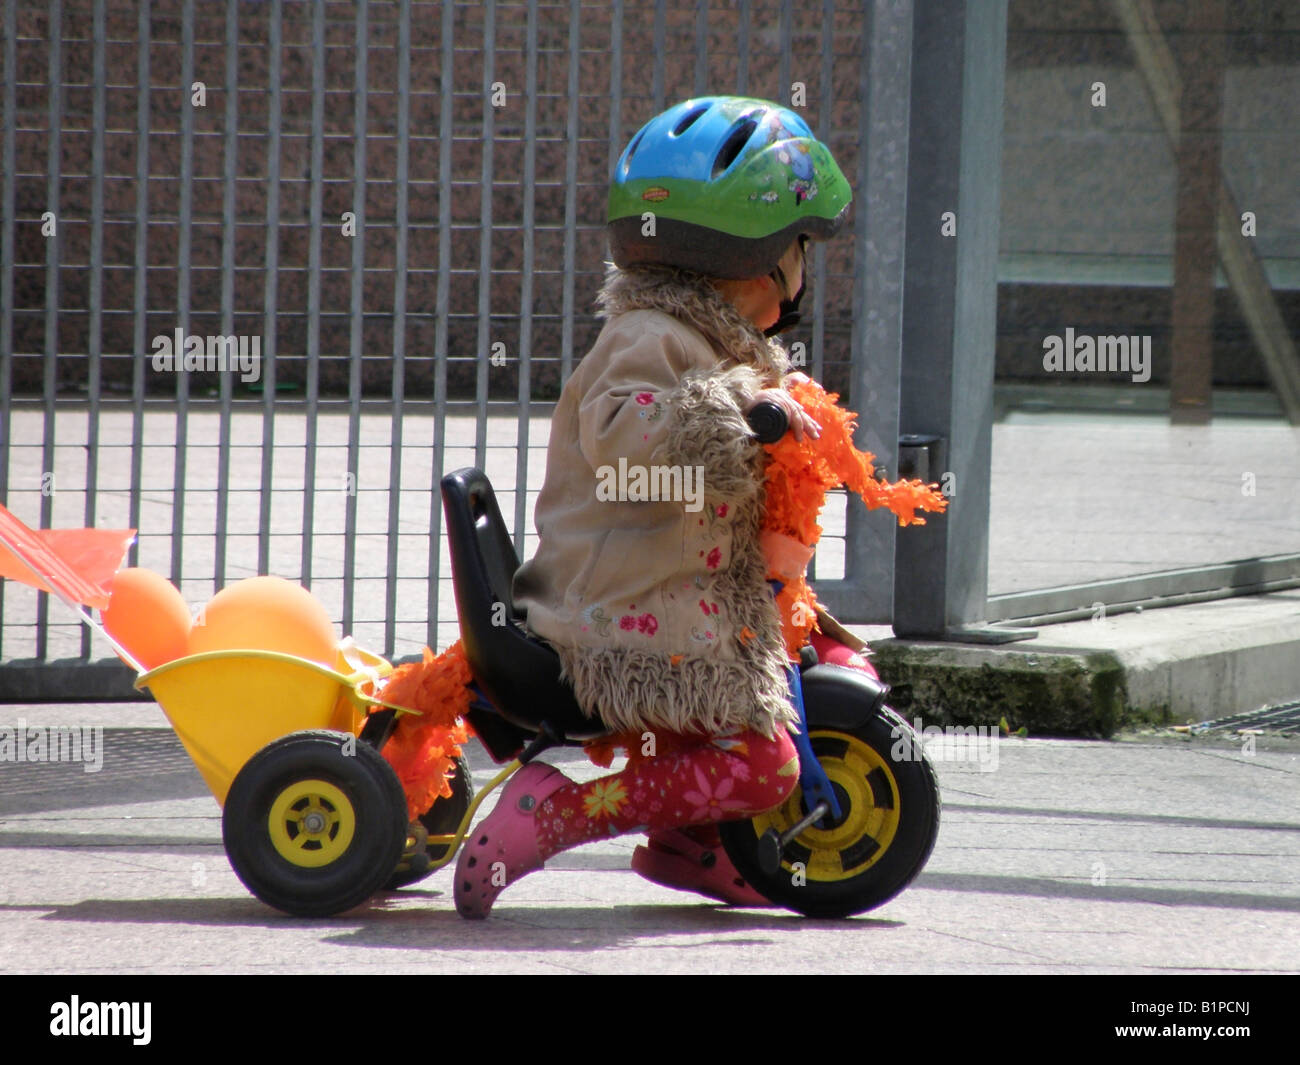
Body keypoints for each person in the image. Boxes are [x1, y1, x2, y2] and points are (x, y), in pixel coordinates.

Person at [454, 96, 866, 918]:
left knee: (766, 694)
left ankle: (692, 842)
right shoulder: (654, 336)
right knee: (765, 767)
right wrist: (736, 415)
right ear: (760, 258)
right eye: (801, 247)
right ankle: (557, 812)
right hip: (616, 612)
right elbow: (620, 430)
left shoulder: (704, 338)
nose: (805, 268)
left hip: (665, 595)